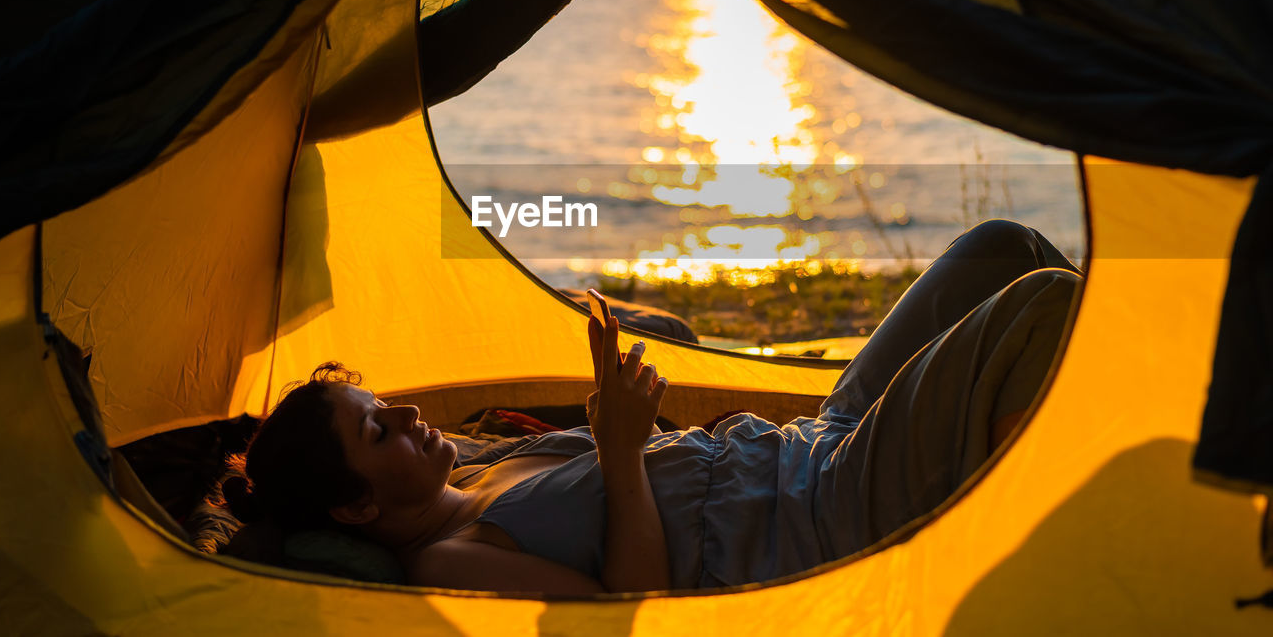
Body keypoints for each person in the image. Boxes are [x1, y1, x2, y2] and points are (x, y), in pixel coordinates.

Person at [223, 220, 1081, 592]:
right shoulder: (449, 558)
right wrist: (623, 451)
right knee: (1041, 302)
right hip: (827, 514)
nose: (409, 416)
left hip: (804, 443)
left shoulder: (469, 461)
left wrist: (612, 396)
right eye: (379, 429)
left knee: (1000, 249)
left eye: (387, 403)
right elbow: (628, 615)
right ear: (357, 504)